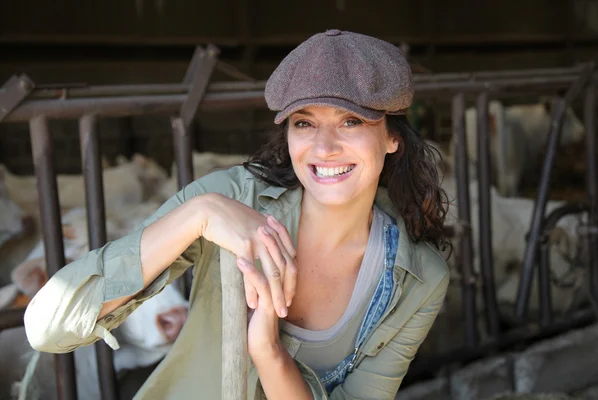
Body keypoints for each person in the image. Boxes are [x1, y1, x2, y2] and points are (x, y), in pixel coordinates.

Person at [23, 29, 451, 400]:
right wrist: (199, 213)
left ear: (393, 136)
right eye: (304, 123)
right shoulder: (231, 197)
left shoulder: (418, 277)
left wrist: (268, 351)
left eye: (351, 122)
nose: (323, 148)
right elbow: (47, 328)